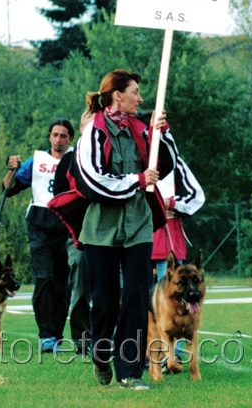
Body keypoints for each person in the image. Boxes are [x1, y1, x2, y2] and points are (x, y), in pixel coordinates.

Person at [53, 69, 177, 390]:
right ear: (117, 95)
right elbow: (92, 181)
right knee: (105, 300)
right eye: (135, 91)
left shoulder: (141, 127)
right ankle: (101, 353)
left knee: (136, 295)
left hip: (138, 224)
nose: (141, 97)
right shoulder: (91, 134)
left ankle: (129, 371)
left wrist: (160, 133)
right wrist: (136, 180)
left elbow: (164, 165)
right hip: (101, 228)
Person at [3, 119, 75, 353]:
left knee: (62, 286)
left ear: (70, 140)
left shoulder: (77, 159)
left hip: (68, 229)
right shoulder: (37, 161)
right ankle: (45, 336)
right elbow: (9, 189)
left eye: (64, 136)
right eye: (55, 135)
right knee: (44, 280)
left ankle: (57, 333)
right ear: (49, 137)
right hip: (40, 228)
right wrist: (11, 169)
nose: (59, 139)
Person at [52, 111, 94, 356]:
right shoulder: (69, 159)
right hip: (79, 234)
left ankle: (116, 339)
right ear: (80, 129)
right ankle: (82, 341)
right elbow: (59, 196)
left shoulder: (106, 153)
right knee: (80, 288)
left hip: (109, 231)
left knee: (113, 290)